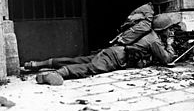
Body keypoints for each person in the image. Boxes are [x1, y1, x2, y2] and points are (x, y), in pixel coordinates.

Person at [30, 14, 177, 86]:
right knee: (90, 68)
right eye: (169, 29)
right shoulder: (154, 40)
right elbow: (167, 59)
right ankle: (56, 74)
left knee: (79, 60)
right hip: (115, 58)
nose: (170, 31)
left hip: (114, 51)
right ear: (162, 29)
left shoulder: (150, 35)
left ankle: (38, 65)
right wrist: (170, 44)